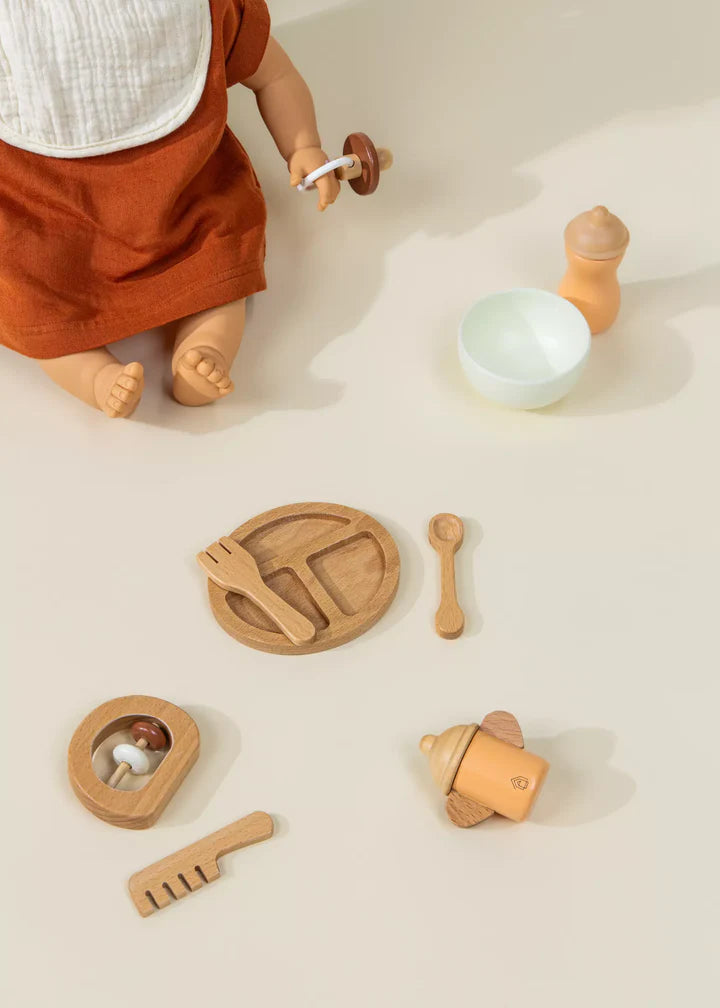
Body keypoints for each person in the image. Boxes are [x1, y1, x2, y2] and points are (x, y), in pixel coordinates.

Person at [0, 0, 340, 416]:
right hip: (49, 222)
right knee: (27, 295)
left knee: (220, 260)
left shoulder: (197, 10)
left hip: (183, 205)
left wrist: (303, 147)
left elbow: (274, 76)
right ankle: (94, 376)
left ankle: (205, 348)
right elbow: (276, 77)